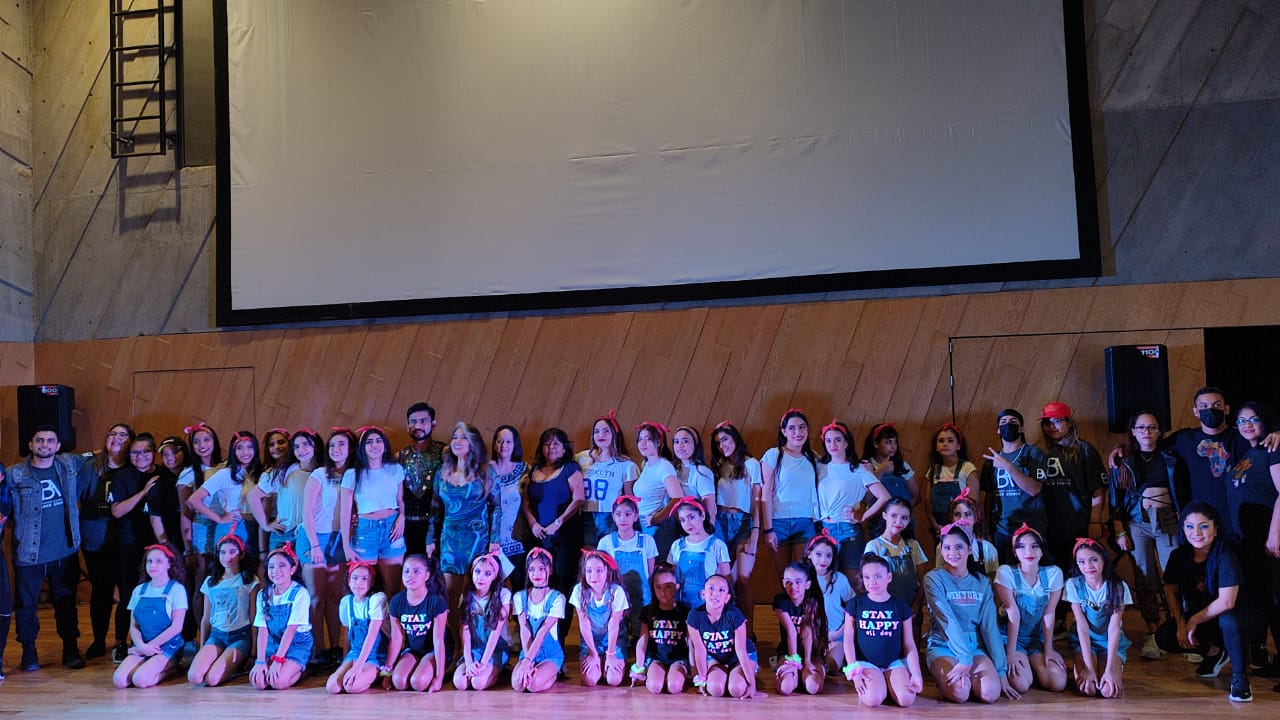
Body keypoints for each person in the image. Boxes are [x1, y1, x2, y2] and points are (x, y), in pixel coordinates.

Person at [6, 425, 96, 671]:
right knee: (26, 607)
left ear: (58, 446)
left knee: (66, 603)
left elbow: (96, 455)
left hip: (65, 552)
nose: (44, 444)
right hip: (29, 555)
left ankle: (70, 649)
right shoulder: (14, 475)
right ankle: (29, 652)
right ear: (30, 445)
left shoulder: (68, 464)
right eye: (39, 440)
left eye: (49, 441)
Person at [1109, 410, 1188, 659]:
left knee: (1176, 576)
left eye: (1152, 427)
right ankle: (1154, 633)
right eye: (1141, 427)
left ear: (1160, 431)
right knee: (1145, 579)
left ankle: (1183, 631)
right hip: (1136, 524)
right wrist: (1120, 531)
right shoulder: (1122, 462)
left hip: (1167, 521)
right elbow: (1115, 502)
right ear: (1133, 431)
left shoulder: (1171, 457)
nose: (1147, 432)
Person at [1156, 502, 1252, 702]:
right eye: (1190, 526)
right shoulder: (1179, 556)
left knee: (1229, 620)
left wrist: (1193, 621)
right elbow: (1170, 590)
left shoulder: (1225, 555)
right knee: (1165, 636)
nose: (1196, 533)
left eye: (1204, 526)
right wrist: (1181, 623)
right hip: (1202, 619)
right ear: (1183, 529)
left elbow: (1227, 601)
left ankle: (1240, 678)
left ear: (1215, 528)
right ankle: (1214, 653)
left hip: (1231, 622)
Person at [924, 522, 1015, 703]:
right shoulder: (933, 578)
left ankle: (971, 679)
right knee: (960, 693)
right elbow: (947, 620)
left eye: (959, 547)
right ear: (942, 551)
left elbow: (989, 627)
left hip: (974, 647)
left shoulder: (982, 581)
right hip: (944, 646)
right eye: (947, 548)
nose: (953, 552)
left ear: (969, 549)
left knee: (990, 693)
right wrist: (964, 658)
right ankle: (948, 681)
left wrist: (1001, 671)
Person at [1226, 402, 1280, 673]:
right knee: (1263, 601)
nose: (1246, 425)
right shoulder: (1247, 452)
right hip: (1247, 542)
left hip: (1268, 539)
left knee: (1277, 600)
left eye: (1253, 419)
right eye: (1241, 421)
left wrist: (1274, 535)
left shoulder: (1274, 447)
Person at [428, 422, 498, 612]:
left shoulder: (487, 471)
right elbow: (435, 508)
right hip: (450, 539)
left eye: (463, 437)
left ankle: (471, 631)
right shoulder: (442, 472)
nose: (457, 441)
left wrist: (495, 540)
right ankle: (453, 632)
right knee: (449, 593)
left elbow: (496, 507)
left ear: (473, 442)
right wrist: (429, 540)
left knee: (474, 593)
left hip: (477, 540)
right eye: (454, 437)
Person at [80, 422, 134, 662]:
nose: (116, 438)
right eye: (112, 433)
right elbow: (77, 496)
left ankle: (122, 640)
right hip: (95, 539)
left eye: (123, 435)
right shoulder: (91, 467)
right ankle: (98, 640)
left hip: (126, 539)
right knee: (100, 592)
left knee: (127, 592)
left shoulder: (133, 468)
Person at [841, 553, 925, 707]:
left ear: (889, 577)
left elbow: (909, 643)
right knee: (873, 700)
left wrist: (916, 673)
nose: (872, 582)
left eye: (878, 576)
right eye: (867, 577)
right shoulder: (855, 604)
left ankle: (889, 681)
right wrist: (854, 671)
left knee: (906, 700)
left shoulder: (900, 605)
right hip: (867, 662)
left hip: (894, 662)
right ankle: (879, 685)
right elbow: (848, 640)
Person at [301, 428, 354, 665]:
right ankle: (318, 649)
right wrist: (314, 545)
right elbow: (306, 512)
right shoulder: (319, 474)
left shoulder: (354, 474)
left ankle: (335, 647)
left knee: (335, 596)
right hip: (314, 537)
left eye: (341, 445)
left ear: (350, 449)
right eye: (332, 445)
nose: (336, 449)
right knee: (316, 597)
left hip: (339, 538)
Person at [993, 523, 1067, 694]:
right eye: (1021, 547)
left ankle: (1034, 664)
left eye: (1034, 546)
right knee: (1021, 684)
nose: (1028, 552)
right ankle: (1023, 663)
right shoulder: (1006, 572)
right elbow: (1013, 613)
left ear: (1042, 550)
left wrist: (1049, 649)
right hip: (1010, 638)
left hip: (1036, 639)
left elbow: (1049, 613)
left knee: (1058, 682)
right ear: (1014, 551)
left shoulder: (1053, 573)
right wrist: (1011, 652)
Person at [524, 427, 585, 632]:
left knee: (562, 580)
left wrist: (558, 522)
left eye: (556, 443)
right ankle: (539, 631)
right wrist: (533, 523)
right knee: (540, 580)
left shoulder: (570, 468)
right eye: (547, 443)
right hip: (539, 536)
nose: (551, 447)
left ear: (564, 447)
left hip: (566, 536)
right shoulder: (534, 470)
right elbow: (526, 501)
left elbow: (579, 498)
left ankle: (560, 633)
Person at [1039, 402, 1106, 581]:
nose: (1051, 426)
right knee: (1056, 577)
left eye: (1057, 421)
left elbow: (1097, 489)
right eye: (1047, 422)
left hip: (1079, 525)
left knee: (1081, 576)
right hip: (1050, 529)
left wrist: (1095, 521)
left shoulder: (1084, 450)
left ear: (1069, 423)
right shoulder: (1041, 452)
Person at [817, 419, 889, 587]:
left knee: (853, 582)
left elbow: (884, 496)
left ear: (846, 442)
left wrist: (862, 516)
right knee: (826, 582)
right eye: (828, 440)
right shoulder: (819, 467)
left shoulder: (858, 469)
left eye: (838, 440)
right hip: (823, 529)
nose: (833, 444)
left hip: (848, 530)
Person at [341, 426, 407, 594]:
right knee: (362, 587)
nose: (374, 445)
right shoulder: (352, 474)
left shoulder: (395, 469)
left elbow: (400, 500)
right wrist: (346, 546)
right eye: (369, 442)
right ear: (362, 447)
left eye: (378, 441)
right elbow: (345, 513)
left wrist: (402, 517)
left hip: (392, 528)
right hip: (365, 530)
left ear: (385, 445)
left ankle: (389, 613)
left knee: (392, 586)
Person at [709, 421, 762, 628]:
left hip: (743, 522)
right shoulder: (718, 465)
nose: (722, 445)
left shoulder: (751, 464)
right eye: (718, 443)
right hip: (720, 521)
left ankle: (749, 631)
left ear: (735, 439)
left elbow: (757, 502)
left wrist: (755, 534)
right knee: (723, 578)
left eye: (725, 439)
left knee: (743, 579)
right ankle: (727, 627)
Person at [187, 531, 258, 686]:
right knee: (195, 677)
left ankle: (235, 664)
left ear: (241, 554)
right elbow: (206, 618)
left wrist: (254, 652)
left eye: (232, 552)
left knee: (212, 679)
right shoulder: (211, 581)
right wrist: (203, 645)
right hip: (217, 635)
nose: (227, 556)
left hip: (240, 636)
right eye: (223, 552)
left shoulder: (249, 580)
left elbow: (253, 617)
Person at [112, 544, 188, 688]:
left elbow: (176, 627)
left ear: (169, 564)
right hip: (142, 645)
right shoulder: (139, 590)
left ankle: (174, 669)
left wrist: (150, 647)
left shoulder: (177, 590)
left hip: (167, 647)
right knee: (119, 680)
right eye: (150, 561)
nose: (153, 565)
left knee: (140, 680)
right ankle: (147, 664)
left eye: (159, 561)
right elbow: (133, 626)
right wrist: (141, 646)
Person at [1064, 538, 1132, 698]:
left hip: (1109, 641)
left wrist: (1109, 670)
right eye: (1081, 562)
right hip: (1085, 641)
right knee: (1089, 689)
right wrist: (1088, 668)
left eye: (1094, 560)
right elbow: (1081, 626)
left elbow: (1114, 627)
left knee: (1108, 692)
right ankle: (1083, 665)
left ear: (1104, 560)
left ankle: (1110, 667)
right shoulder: (1073, 585)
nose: (1088, 566)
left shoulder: (1118, 586)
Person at [980, 409, 1048, 561]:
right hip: (1002, 529)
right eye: (1003, 422)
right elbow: (989, 496)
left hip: (1031, 529)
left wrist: (1009, 467)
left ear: (1021, 428)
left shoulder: (1033, 453)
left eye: (1013, 422)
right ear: (998, 430)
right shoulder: (992, 460)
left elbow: (1035, 489)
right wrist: (987, 527)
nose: (1008, 425)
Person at [687, 573, 765, 699]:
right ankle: (726, 675)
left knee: (737, 689)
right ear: (703, 594)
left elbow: (741, 651)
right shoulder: (694, 616)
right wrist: (702, 680)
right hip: (716, 658)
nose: (715, 593)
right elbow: (700, 650)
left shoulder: (734, 614)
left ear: (727, 598)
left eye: (721, 590)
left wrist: (752, 685)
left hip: (739, 657)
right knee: (715, 689)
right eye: (711, 588)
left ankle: (750, 672)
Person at [762, 409, 819, 578]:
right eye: (792, 428)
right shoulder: (773, 455)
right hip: (778, 523)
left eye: (802, 427)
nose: (798, 432)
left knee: (804, 575)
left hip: (805, 522)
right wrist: (768, 529)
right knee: (785, 577)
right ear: (783, 431)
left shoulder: (813, 457)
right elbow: (765, 495)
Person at [250, 544, 314, 690]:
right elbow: (263, 629)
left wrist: (278, 660)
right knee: (259, 682)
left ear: (292, 569)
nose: (275, 571)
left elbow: (291, 630)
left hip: (296, 644)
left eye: (282, 566)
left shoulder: (300, 593)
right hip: (274, 642)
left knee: (277, 682)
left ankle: (303, 669)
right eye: (271, 567)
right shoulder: (263, 595)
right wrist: (260, 661)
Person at [596, 494, 658, 640]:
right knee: (618, 636)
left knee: (640, 634)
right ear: (613, 516)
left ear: (636, 516)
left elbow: (650, 573)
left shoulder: (647, 541)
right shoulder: (606, 542)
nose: (623, 518)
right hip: (616, 598)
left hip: (642, 597)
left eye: (628, 514)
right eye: (618, 514)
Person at [188, 430, 260, 555]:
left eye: (250, 447)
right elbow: (194, 499)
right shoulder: (225, 474)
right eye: (239, 448)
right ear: (233, 451)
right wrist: (220, 519)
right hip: (233, 526)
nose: (245, 452)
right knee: (229, 564)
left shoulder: (259, 473)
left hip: (255, 525)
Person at [386, 553, 449, 692]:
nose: (410, 575)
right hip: (413, 650)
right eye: (406, 571)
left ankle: (435, 669)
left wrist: (439, 678)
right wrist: (387, 672)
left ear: (427, 575)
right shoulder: (397, 601)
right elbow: (396, 638)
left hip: (433, 650)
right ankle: (416, 666)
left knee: (418, 682)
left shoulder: (436, 602)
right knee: (399, 682)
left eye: (416, 571)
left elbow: (438, 641)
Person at [576, 410, 639, 548]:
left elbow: (630, 498)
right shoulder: (581, 457)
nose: (601, 435)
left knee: (607, 553)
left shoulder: (626, 465)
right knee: (588, 553)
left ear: (615, 434)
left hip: (610, 516)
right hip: (585, 514)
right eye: (596, 431)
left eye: (606, 431)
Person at [251, 428, 319, 554]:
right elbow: (253, 496)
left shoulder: (324, 473)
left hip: (311, 536)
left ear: (316, 445)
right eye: (297, 446)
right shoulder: (286, 470)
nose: (301, 450)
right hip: (284, 534)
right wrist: (266, 525)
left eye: (306, 444)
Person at [325, 561, 388, 694]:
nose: (359, 583)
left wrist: (358, 667)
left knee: (351, 686)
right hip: (355, 653)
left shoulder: (377, 599)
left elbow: (372, 635)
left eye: (365, 579)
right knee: (332, 686)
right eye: (355, 578)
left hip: (375, 655)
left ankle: (375, 674)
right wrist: (345, 662)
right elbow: (347, 633)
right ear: (348, 580)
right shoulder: (346, 602)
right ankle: (363, 674)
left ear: (372, 582)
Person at [571, 549, 630, 687]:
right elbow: (584, 623)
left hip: (614, 641)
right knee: (590, 680)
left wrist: (610, 654)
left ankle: (607, 660)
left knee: (613, 680)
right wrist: (593, 653)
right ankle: (598, 659)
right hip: (591, 642)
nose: (594, 576)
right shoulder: (579, 590)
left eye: (599, 570)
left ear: (607, 571)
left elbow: (613, 624)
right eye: (589, 571)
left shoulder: (616, 591)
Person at [453, 552, 512, 691]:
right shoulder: (467, 595)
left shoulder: (503, 595)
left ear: (494, 576)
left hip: (496, 648)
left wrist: (483, 663)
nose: (481, 577)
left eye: (487, 573)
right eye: (477, 572)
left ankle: (500, 671)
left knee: (478, 683)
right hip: (475, 649)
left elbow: (495, 633)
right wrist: (469, 661)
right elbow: (465, 632)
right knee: (460, 683)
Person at [511, 547, 566, 693]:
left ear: (550, 570)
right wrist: (527, 660)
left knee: (533, 685)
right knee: (518, 685)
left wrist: (529, 661)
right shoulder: (519, 597)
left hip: (550, 655)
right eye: (532, 569)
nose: (536, 574)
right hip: (528, 653)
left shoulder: (557, 598)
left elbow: (543, 631)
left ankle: (555, 672)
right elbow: (524, 629)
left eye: (542, 569)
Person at [865, 497, 929, 617]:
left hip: (911, 609)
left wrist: (917, 605)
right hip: (885, 611)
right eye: (894, 516)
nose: (898, 522)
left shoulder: (913, 545)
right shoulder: (874, 546)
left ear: (909, 520)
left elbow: (924, 580)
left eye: (904, 518)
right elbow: (869, 582)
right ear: (884, 515)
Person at [632, 565, 690, 694]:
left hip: (679, 658)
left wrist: (695, 669)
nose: (662, 592)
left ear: (677, 586)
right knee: (654, 687)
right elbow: (642, 642)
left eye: (668, 587)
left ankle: (673, 674)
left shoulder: (685, 612)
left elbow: (691, 643)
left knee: (674, 687)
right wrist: (639, 668)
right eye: (658, 587)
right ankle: (659, 674)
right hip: (656, 658)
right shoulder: (648, 611)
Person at [772, 562, 826, 695]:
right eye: (788, 582)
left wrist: (807, 661)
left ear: (807, 584)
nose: (793, 587)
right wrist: (793, 663)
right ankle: (787, 669)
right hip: (788, 652)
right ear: (783, 582)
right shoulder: (780, 601)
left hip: (811, 652)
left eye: (798, 582)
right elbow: (791, 632)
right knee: (786, 687)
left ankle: (811, 670)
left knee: (812, 686)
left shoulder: (812, 601)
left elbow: (807, 633)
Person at [667, 498, 731, 610]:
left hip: (707, 606)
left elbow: (727, 579)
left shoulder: (717, 545)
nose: (687, 523)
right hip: (681, 604)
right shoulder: (677, 545)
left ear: (702, 515)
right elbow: (673, 576)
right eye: (682, 520)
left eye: (691, 517)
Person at [399, 402, 445, 557]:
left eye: (423, 421)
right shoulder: (400, 456)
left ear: (434, 423)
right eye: (413, 422)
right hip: (407, 526)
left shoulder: (445, 452)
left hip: (437, 525)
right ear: (407, 426)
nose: (418, 426)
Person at [633, 421, 682, 557]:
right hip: (642, 524)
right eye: (640, 439)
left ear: (659, 441)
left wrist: (656, 519)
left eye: (648, 439)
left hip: (656, 528)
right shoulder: (646, 464)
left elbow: (678, 499)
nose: (643, 443)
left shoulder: (664, 466)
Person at [806, 530, 853, 670]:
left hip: (836, 636)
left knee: (832, 665)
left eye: (828, 555)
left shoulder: (839, 578)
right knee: (812, 663)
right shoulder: (804, 578)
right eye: (818, 554)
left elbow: (853, 606)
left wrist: (840, 631)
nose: (823, 560)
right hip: (811, 636)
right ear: (809, 554)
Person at [862, 423, 918, 539]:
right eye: (888, 442)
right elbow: (866, 499)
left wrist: (902, 513)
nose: (893, 446)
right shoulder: (866, 466)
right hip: (878, 523)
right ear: (876, 443)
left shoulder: (902, 466)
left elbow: (916, 495)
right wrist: (880, 471)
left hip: (903, 526)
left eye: (895, 442)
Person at [490, 425, 530, 587]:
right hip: (491, 540)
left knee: (519, 587)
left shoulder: (525, 470)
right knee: (491, 588)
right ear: (494, 444)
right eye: (499, 441)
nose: (503, 445)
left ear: (515, 445)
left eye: (508, 441)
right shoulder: (485, 470)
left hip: (517, 539)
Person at [932, 490, 1000, 579]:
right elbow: (940, 576)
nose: (962, 519)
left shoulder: (987, 548)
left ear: (976, 517)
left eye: (967, 514)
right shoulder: (943, 547)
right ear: (951, 518)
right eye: (957, 515)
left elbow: (992, 579)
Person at [925, 423, 979, 534]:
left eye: (950, 441)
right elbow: (927, 501)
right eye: (941, 441)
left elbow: (973, 505)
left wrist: (963, 527)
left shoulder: (967, 468)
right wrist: (934, 525)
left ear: (958, 446)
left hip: (962, 528)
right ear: (936, 447)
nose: (945, 444)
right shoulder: (933, 470)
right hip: (940, 528)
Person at [252, 428, 295, 552]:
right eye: (271, 444)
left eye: (281, 442)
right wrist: (262, 549)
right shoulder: (270, 474)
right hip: (281, 529)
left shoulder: (299, 467)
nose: (276, 447)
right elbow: (262, 507)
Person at [672, 426, 716, 518]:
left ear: (696, 444)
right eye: (676, 442)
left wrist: (708, 527)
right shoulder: (674, 469)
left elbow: (710, 511)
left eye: (685, 441)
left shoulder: (701, 471)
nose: (680, 445)